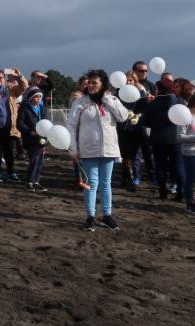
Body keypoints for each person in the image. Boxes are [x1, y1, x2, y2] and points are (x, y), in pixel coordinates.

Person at [67, 70, 129, 230]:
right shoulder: (80, 102)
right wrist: (73, 148)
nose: (90, 85)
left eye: (95, 82)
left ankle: (107, 215)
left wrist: (108, 99)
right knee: (91, 183)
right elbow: (71, 126)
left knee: (106, 183)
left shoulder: (111, 99)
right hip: (88, 149)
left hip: (109, 148)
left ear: (103, 84)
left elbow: (123, 117)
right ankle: (90, 216)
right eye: (89, 82)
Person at [143, 78, 186, 201]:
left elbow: (146, 122)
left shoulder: (152, 104)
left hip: (158, 138)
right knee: (178, 166)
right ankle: (181, 192)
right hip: (175, 137)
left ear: (158, 89)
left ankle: (163, 192)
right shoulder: (179, 101)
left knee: (160, 166)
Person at [0, 68, 28, 184]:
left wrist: (20, 76)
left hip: (10, 126)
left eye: (1, 77)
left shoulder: (11, 88)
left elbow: (24, 87)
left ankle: (11, 173)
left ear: (4, 79)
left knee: (9, 151)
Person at [16, 86, 48, 191]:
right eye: (36, 97)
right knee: (34, 160)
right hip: (30, 139)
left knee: (40, 161)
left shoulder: (42, 108)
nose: (38, 99)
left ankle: (36, 181)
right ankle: (29, 182)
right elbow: (19, 124)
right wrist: (30, 131)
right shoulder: (25, 108)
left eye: (40, 96)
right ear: (30, 97)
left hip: (41, 138)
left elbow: (45, 122)